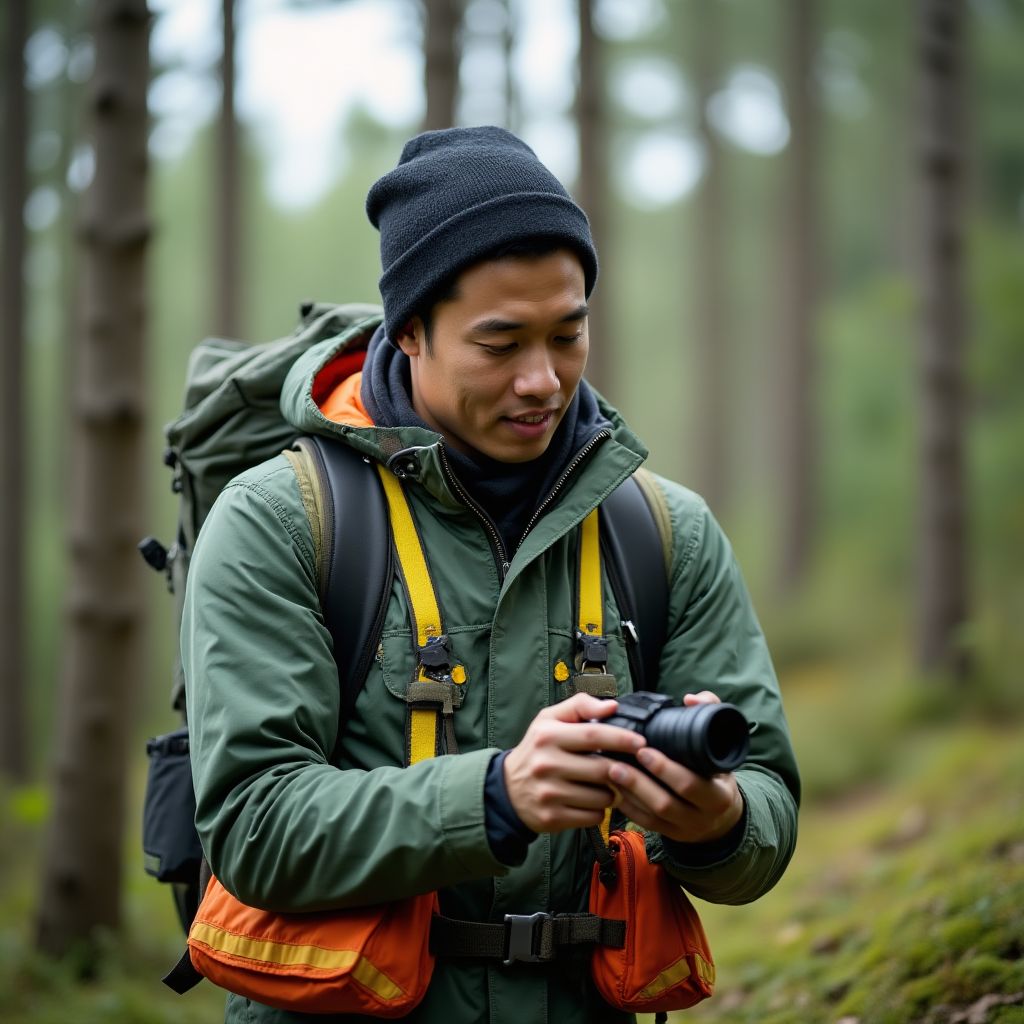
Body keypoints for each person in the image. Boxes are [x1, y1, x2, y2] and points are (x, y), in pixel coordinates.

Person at [182, 125, 800, 1024]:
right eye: (501, 343)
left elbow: (769, 805)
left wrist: (719, 821)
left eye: (568, 334)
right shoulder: (280, 522)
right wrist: (495, 797)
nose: (543, 380)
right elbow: (255, 827)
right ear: (410, 331)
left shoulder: (665, 530)